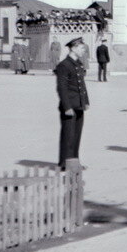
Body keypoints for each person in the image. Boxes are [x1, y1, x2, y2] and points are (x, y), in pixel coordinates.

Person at [55, 37, 89, 168]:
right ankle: (65, 163)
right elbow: (62, 88)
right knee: (68, 135)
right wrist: (67, 107)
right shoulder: (64, 65)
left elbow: (82, 84)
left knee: (76, 135)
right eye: (81, 48)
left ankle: (74, 162)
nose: (83, 50)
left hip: (79, 105)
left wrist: (86, 101)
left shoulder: (78, 63)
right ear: (73, 48)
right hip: (69, 106)